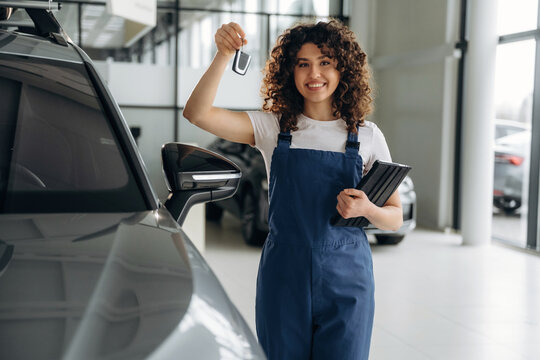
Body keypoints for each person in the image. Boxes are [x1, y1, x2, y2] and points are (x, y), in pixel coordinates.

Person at [183, 19, 403, 360]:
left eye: (325, 62)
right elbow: (197, 113)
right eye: (303, 64)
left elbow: (395, 218)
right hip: (285, 275)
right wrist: (223, 55)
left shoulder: (367, 136)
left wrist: (368, 211)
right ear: (290, 71)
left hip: (348, 278)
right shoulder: (273, 127)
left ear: (343, 68)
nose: (314, 74)